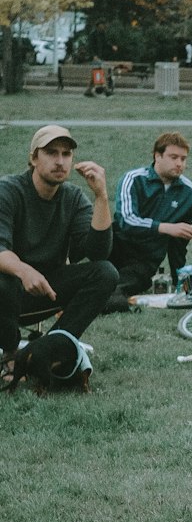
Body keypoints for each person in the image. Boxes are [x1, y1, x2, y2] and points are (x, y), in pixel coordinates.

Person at [0, 125, 117, 383]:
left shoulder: (73, 198)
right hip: (7, 292)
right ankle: (10, 356)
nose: (60, 161)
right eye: (51, 153)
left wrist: (101, 197)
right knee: (3, 280)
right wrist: (24, 270)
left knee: (105, 273)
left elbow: (98, 252)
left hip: (46, 289)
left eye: (66, 154)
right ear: (33, 158)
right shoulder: (8, 191)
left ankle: (47, 350)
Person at [106, 132, 192, 308]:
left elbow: (179, 243)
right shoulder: (133, 179)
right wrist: (164, 227)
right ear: (157, 156)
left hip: (146, 259)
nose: (179, 163)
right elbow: (126, 220)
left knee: (124, 285)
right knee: (97, 275)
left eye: (183, 159)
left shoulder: (187, 192)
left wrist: (179, 280)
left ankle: (111, 300)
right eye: (173, 157)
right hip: (116, 246)